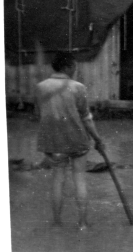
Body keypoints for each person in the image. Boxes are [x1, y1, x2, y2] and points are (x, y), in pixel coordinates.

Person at [35, 51, 106, 230]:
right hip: (77, 140)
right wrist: (98, 139)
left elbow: (39, 115)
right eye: (74, 66)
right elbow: (86, 118)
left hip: (53, 143)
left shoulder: (41, 87)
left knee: (57, 180)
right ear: (67, 67)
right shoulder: (78, 87)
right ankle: (82, 223)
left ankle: (57, 223)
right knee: (79, 178)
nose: (75, 69)